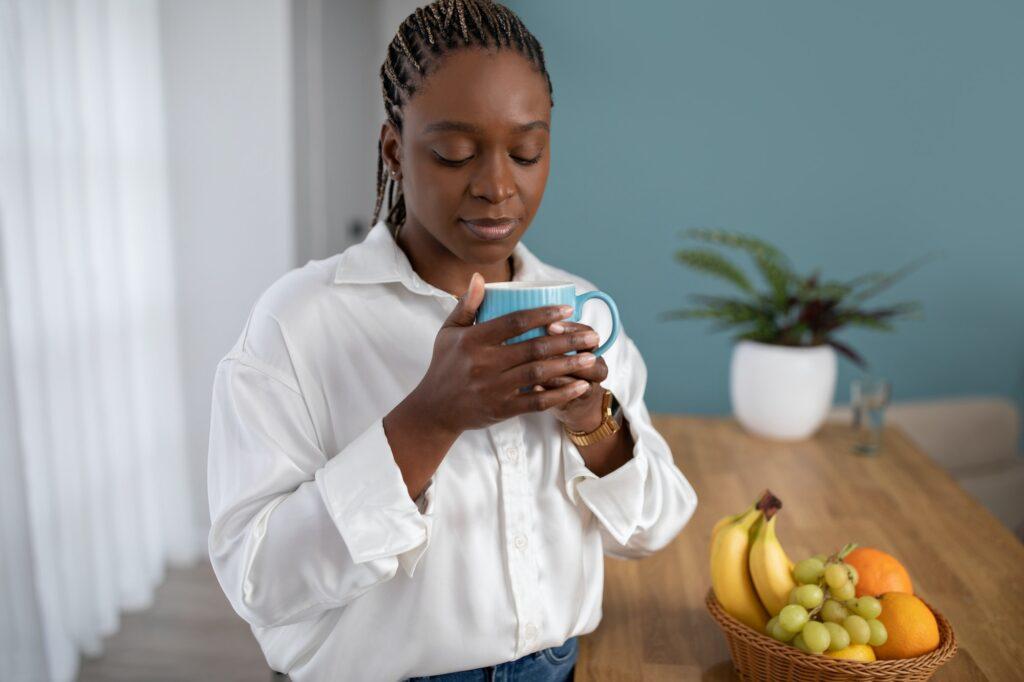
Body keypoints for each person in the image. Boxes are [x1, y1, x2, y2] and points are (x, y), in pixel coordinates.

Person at [207, 2, 698, 680]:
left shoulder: (579, 309)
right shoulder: (299, 325)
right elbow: (257, 580)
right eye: (454, 153)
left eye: (527, 151)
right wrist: (428, 420)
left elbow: (653, 528)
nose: (499, 187)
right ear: (393, 152)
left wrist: (593, 421)